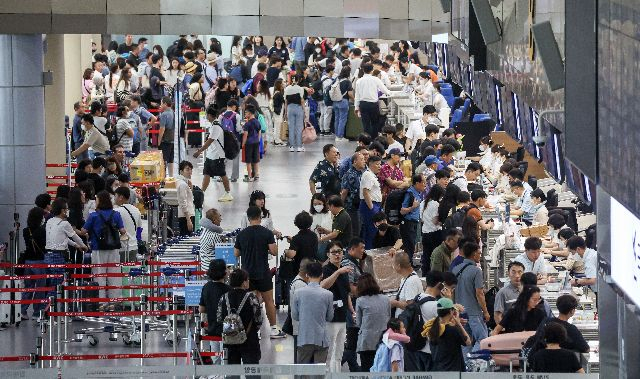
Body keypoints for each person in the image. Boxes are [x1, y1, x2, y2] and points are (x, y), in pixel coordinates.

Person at [233, 206, 285, 339]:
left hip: (247, 275)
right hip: (263, 272)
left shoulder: (242, 234)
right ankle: (273, 329)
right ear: (260, 217)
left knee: (250, 301)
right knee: (268, 301)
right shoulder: (267, 233)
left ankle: (254, 330)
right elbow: (274, 251)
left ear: (248, 218)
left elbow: (236, 253)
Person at [81, 191, 127, 310]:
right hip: (113, 249)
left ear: (100, 201)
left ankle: (101, 302)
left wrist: (73, 230)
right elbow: (122, 231)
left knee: (99, 275)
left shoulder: (93, 216)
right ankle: (115, 301)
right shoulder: (116, 214)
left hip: (98, 249)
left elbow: (83, 231)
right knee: (114, 274)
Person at [216, 269, 263, 368]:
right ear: (244, 282)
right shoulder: (251, 297)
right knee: (252, 373)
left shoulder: (224, 297)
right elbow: (258, 319)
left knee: (232, 373)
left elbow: (219, 318)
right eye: (247, 280)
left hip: (230, 340)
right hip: (249, 339)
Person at [291, 261, 334, 369]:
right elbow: (330, 317)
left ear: (307, 275)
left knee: (303, 372)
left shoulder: (298, 293)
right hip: (321, 338)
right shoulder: (328, 294)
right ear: (322, 275)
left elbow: (295, 316)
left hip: (304, 337)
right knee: (319, 373)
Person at [452, 242, 489, 358]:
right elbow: (479, 293)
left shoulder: (456, 269)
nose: (480, 256)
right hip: (474, 312)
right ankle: (474, 363)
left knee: (466, 341)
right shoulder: (476, 270)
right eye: (479, 253)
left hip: (460, 312)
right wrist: (486, 312)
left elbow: (451, 291)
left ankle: (466, 366)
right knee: (483, 339)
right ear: (473, 255)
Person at [321, 241, 354, 372]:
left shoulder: (344, 271)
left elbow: (347, 293)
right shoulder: (326, 269)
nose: (337, 255)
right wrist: (338, 272)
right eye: (334, 252)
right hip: (330, 317)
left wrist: (352, 310)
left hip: (342, 316)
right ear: (328, 254)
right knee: (329, 351)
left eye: (339, 251)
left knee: (339, 351)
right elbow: (323, 285)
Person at [193, 105, 233, 202]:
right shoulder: (213, 125)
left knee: (222, 174)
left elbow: (209, 141)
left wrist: (199, 151)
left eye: (207, 114)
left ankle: (228, 193)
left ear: (210, 115)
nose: (206, 116)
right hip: (211, 155)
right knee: (206, 174)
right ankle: (202, 193)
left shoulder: (216, 126)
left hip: (218, 156)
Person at [355, 273, 391, 372]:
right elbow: (388, 317)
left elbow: (358, 323)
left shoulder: (360, 300)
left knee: (367, 369)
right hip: (383, 339)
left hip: (367, 341)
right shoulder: (386, 299)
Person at [423, 297, 471, 372]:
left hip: (438, 370)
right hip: (453, 371)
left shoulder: (432, 328)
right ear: (451, 311)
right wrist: (459, 324)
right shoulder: (452, 330)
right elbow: (468, 342)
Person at [199, 259, 230, 364]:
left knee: (215, 357)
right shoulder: (228, 289)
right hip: (226, 330)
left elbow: (201, 309)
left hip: (212, 328)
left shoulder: (206, 287)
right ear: (224, 272)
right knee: (226, 358)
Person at [20, 207, 48, 320]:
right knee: (40, 288)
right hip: (39, 261)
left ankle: (22, 311)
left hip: (27, 262)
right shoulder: (42, 230)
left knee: (28, 287)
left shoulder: (25, 231)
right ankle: (37, 312)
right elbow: (44, 245)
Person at [354, 63, 391, 138]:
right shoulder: (376, 79)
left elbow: (357, 96)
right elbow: (385, 90)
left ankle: (366, 140)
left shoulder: (359, 81)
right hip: (373, 104)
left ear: (363, 70)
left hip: (363, 104)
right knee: (375, 123)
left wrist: (356, 107)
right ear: (372, 70)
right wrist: (390, 93)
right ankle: (374, 139)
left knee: (365, 123)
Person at [400, 174, 426, 262]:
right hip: (408, 223)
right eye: (423, 182)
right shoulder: (410, 193)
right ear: (417, 183)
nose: (425, 184)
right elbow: (402, 211)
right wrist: (413, 207)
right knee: (409, 245)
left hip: (415, 222)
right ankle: (408, 265)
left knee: (412, 244)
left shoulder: (418, 193)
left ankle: (409, 263)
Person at [340, 152, 366, 239]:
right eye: (361, 159)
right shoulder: (350, 174)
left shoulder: (362, 173)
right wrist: (340, 206)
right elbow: (344, 192)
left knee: (360, 230)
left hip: (360, 206)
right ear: (355, 162)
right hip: (351, 208)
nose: (364, 161)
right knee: (355, 232)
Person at [360, 156, 383, 248]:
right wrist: (372, 208)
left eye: (380, 164)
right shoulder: (367, 175)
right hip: (369, 206)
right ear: (370, 164)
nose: (379, 166)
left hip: (375, 205)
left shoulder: (372, 175)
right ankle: (369, 252)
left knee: (374, 230)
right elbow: (365, 192)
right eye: (377, 164)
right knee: (371, 231)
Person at [390, 252, 423, 318]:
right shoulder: (405, 279)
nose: (392, 267)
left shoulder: (411, 281)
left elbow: (411, 306)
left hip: (407, 325)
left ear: (399, 266)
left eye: (393, 264)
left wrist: (395, 303)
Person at [421, 184, 446, 272]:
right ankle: (435, 276)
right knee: (436, 257)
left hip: (425, 233)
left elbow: (422, 219)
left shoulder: (423, 203)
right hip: (435, 234)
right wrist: (443, 223)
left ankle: (425, 276)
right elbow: (435, 221)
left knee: (426, 257)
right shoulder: (435, 204)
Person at [113, 187, 141, 263]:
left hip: (121, 247)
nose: (114, 199)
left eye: (115, 196)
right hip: (134, 247)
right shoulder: (136, 210)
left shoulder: (116, 211)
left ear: (121, 197)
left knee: (121, 272)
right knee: (131, 272)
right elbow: (139, 229)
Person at [284, 74, 305, 152]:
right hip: (298, 108)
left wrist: (285, 112)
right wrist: (305, 111)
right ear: (298, 80)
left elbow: (285, 101)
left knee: (291, 127)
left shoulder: (287, 88)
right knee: (299, 127)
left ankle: (291, 146)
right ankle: (299, 146)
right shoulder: (300, 89)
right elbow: (302, 100)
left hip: (289, 108)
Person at [332, 67, 354, 140]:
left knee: (337, 119)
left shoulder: (337, 79)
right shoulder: (348, 82)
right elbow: (350, 94)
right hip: (343, 101)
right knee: (342, 119)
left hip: (335, 101)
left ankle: (336, 136)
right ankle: (340, 136)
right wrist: (354, 100)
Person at [241, 105, 262, 181]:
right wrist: (258, 140)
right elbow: (259, 133)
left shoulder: (247, 124)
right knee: (256, 160)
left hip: (249, 144)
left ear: (249, 113)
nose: (245, 114)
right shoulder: (257, 122)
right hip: (256, 143)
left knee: (248, 161)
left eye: (246, 113)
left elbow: (245, 135)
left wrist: (243, 144)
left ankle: (249, 177)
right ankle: (256, 175)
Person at [157, 96, 176, 177]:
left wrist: (159, 141)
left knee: (163, 160)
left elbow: (162, 129)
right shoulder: (173, 112)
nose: (160, 105)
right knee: (171, 160)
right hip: (173, 139)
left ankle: (163, 177)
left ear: (165, 103)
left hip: (165, 140)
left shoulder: (164, 114)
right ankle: (171, 177)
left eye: (161, 103)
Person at [176, 161, 195, 236]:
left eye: (191, 169)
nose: (190, 172)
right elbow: (183, 202)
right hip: (186, 216)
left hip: (186, 215)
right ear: (181, 171)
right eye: (187, 169)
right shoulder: (182, 184)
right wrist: (188, 220)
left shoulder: (183, 182)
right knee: (187, 238)